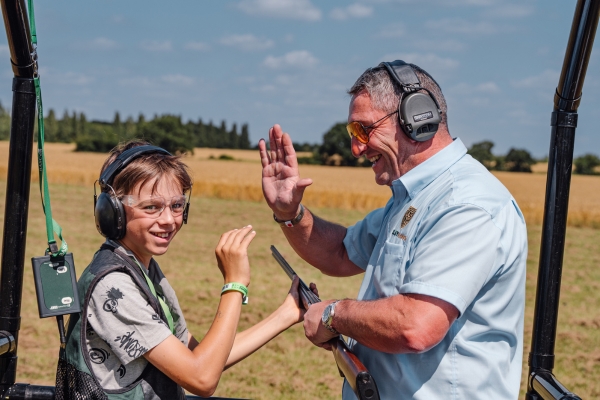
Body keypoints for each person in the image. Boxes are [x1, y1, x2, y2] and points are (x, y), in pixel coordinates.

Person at [259, 60, 527, 399]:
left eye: (363, 130)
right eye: (352, 135)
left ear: (418, 116)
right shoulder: (413, 198)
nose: (356, 149)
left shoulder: (466, 205)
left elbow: (415, 326)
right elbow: (340, 252)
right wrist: (290, 212)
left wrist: (332, 314)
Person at [56, 140, 309, 399]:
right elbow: (201, 378)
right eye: (151, 207)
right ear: (112, 211)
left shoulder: (144, 270)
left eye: (176, 205)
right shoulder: (112, 286)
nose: (168, 220)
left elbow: (201, 357)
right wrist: (234, 284)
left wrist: (287, 314)